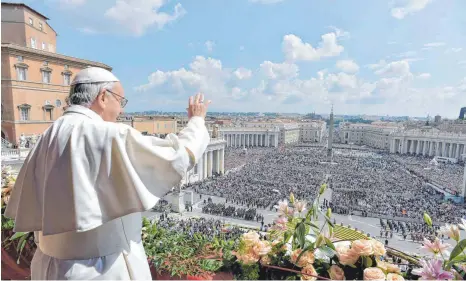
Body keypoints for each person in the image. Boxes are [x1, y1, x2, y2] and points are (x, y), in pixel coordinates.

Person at [4, 67, 211, 280]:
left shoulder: (49, 134)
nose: (121, 110)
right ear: (103, 97)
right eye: (121, 101)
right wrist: (197, 121)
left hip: (50, 268)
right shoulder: (106, 134)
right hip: (101, 270)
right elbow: (176, 157)